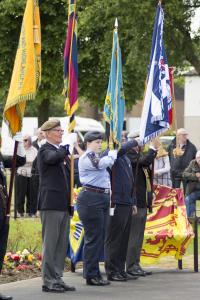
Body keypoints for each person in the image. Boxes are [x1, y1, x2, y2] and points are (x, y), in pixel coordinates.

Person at [37, 119, 76, 293]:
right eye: (58, 131)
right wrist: (65, 148)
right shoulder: (45, 150)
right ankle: (48, 281)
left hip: (62, 204)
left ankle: (57, 277)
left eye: (61, 130)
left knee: (61, 245)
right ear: (48, 133)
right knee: (51, 244)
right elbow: (52, 159)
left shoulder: (61, 153)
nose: (61, 133)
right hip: (50, 204)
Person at [77, 131, 117, 286]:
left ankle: (93, 272)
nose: (99, 145)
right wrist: (113, 153)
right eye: (96, 142)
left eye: (101, 142)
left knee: (98, 237)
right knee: (93, 238)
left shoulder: (97, 156)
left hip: (100, 198)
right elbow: (101, 164)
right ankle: (91, 275)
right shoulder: (88, 157)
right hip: (91, 199)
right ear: (87, 143)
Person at [105, 139, 138, 282]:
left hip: (127, 201)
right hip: (116, 201)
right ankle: (112, 270)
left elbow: (131, 180)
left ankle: (120, 268)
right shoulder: (112, 154)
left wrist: (133, 201)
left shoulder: (125, 157)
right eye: (119, 139)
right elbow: (120, 150)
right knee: (115, 238)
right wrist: (135, 141)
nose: (123, 142)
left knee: (124, 239)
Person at [126, 137, 159, 277]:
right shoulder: (129, 155)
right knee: (134, 236)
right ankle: (131, 265)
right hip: (135, 202)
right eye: (138, 142)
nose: (140, 144)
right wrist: (152, 149)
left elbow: (146, 176)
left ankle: (135, 263)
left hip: (143, 202)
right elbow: (145, 161)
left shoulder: (138, 156)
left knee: (139, 236)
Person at [0, 133, 26, 300]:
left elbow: (20, 161)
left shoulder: (0, 156)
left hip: (1, 207)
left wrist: (19, 141)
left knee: (0, 248)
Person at [168, 128, 197, 193]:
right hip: (175, 172)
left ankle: (186, 203)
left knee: (187, 192)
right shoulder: (172, 145)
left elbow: (195, 160)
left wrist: (193, 171)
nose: (185, 136)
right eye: (183, 135)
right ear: (178, 136)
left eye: (186, 134)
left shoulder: (192, 147)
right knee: (175, 192)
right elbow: (169, 157)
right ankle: (176, 203)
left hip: (187, 172)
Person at [15, 135, 37, 217]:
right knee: (20, 194)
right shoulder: (20, 150)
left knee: (31, 194)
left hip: (30, 174)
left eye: (26, 140)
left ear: (30, 141)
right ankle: (20, 211)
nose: (24, 142)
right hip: (21, 174)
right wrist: (27, 162)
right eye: (23, 140)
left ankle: (30, 212)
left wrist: (25, 162)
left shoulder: (34, 150)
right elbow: (18, 161)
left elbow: (34, 162)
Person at [183, 150, 200, 217]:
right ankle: (190, 219)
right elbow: (184, 174)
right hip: (193, 190)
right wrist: (195, 176)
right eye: (198, 158)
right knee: (188, 199)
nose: (199, 160)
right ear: (196, 158)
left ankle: (196, 217)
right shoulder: (192, 163)